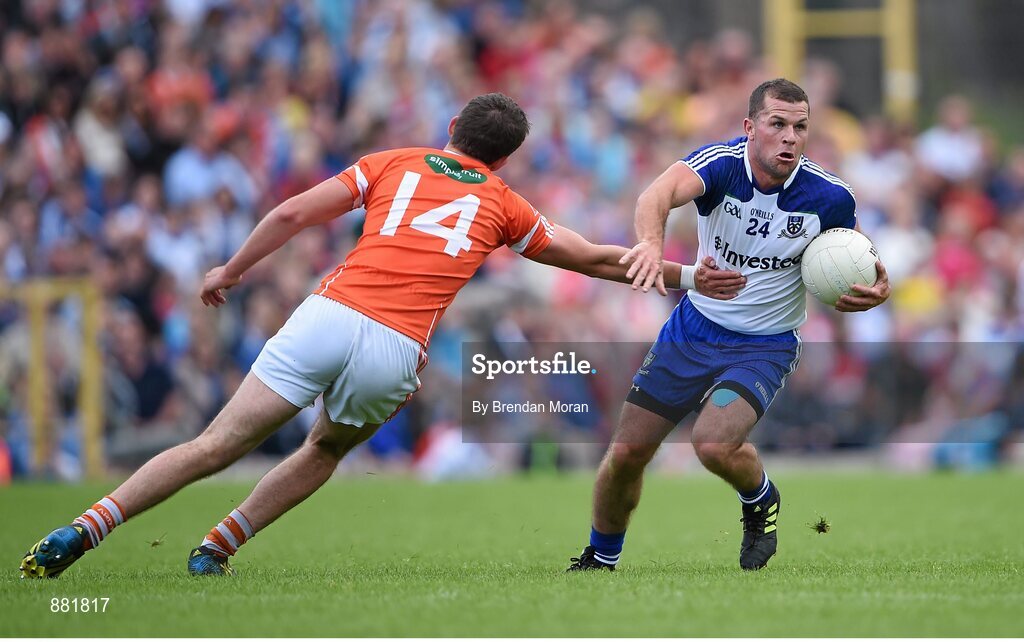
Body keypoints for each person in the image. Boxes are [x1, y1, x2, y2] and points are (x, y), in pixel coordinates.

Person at [20, 93, 742, 579]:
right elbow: (591, 258)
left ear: (453, 129)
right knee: (326, 447)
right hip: (397, 348)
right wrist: (684, 277)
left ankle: (86, 528)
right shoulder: (502, 202)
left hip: (331, 313)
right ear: (504, 158)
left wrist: (231, 269)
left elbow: (293, 215)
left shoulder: (392, 163)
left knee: (213, 445)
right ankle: (218, 545)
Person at [566, 79, 890, 573]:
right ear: (750, 127)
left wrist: (872, 287)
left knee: (713, 443)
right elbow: (656, 195)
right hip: (693, 330)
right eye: (777, 124)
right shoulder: (719, 165)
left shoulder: (830, 197)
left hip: (765, 345)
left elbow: (850, 259)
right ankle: (600, 559)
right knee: (627, 453)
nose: (789, 137)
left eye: (800, 127)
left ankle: (760, 500)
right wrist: (651, 244)